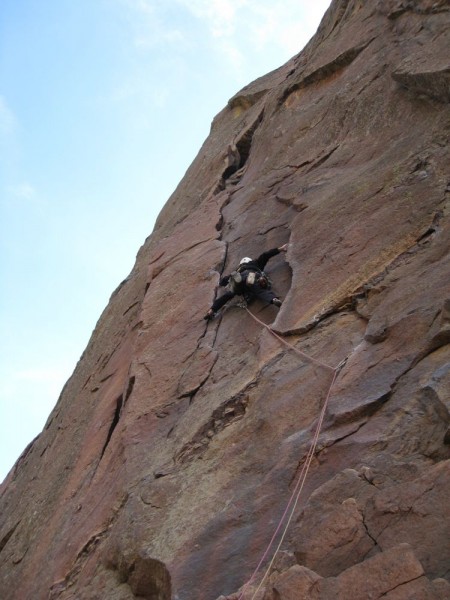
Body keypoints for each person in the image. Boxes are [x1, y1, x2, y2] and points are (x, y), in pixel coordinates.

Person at [204, 244, 288, 320]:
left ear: (241, 264)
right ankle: (273, 299)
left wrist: (219, 283)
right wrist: (280, 249)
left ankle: (211, 310)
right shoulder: (255, 263)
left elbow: (224, 280)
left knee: (228, 294)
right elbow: (265, 255)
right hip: (252, 275)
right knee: (261, 291)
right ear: (249, 261)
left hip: (240, 280)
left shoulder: (238, 269)